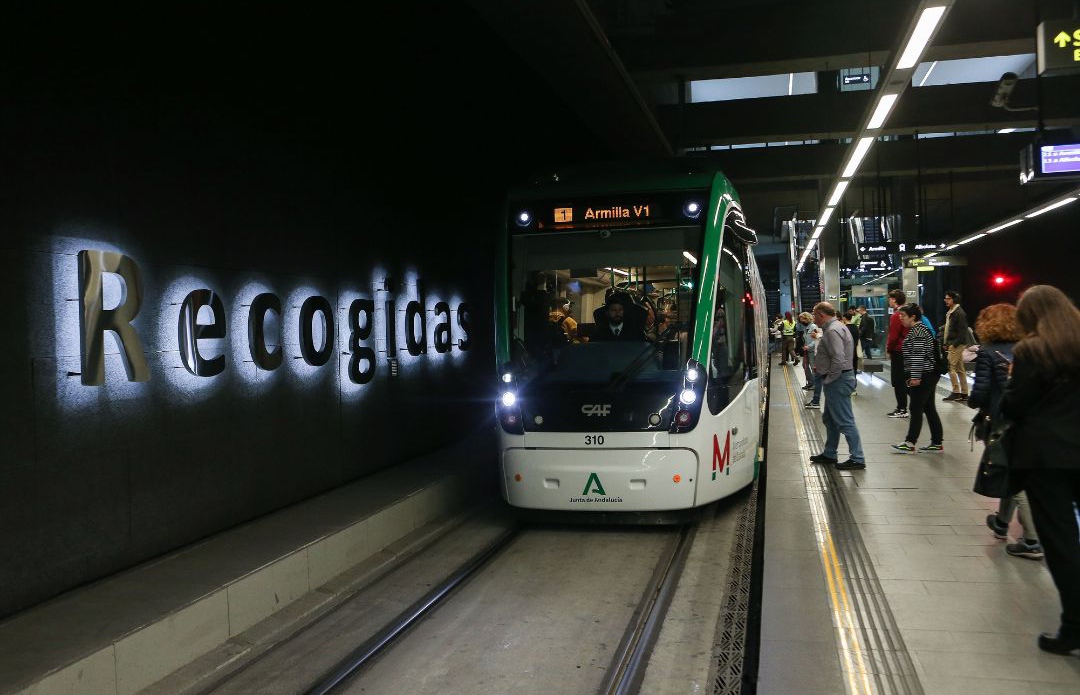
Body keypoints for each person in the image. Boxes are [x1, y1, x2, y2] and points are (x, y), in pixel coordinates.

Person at [999, 285, 1080, 655]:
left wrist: (1012, 381)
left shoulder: (1032, 350)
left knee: (1061, 541)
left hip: (1046, 458)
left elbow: (1015, 405)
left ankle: (1074, 626)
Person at [968, 303, 1042, 559]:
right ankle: (1001, 521)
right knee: (1010, 468)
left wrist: (973, 403)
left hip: (1001, 421)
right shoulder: (1028, 350)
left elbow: (980, 392)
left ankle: (1032, 540)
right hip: (1029, 419)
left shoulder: (988, 352)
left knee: (1014, 475)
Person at [807, 302, 865, 470]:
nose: (813, 318)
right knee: (830, 419)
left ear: (821, 315)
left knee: (845, 420)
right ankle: (830, 453)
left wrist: (829, 379)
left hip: (838, 380)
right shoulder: (837, 326)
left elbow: (838, 359)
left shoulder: (832, 331)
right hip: (839, 379)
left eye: (814, 314)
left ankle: (858, 458)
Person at [890, 304, 944, 453]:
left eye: (903, 316)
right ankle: (937, 442)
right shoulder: (919, 330)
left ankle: (910, 442)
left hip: (924, 374)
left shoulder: (918, 332)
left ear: (913, 317)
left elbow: (918, 356)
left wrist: (915, 377)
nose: (900, 319)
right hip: (928, 373)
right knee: (929, 408)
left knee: (915, 407)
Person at [942, 290, 972, 402]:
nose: (946, 300)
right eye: (945, 298)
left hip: (957, 344)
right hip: (954, 343)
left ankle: (956, 392)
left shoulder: (959, 313)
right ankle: (964, 393)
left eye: (948, 298)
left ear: (954, 299)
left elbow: (962, 332)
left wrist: (952, 344)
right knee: (960, 369)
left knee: (950, 366)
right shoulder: (952, 312)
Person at [885, 289, 911, 419]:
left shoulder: (897, 315)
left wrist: (889, 349)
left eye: (890, 298)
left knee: (898, 381)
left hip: (898, 350)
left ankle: (902, 408)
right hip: (908, 350)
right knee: (906, 379)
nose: (888, 301)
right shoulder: (909, 313)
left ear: (894, 299)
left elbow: (893, 335)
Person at [802, 317, 824, 408]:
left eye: (815, 315)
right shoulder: (819, 328)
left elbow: (825, 340)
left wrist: (817, 336)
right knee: (818, 379)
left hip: (821, 356)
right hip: (817, 355)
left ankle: (816, 402)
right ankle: (815, 401)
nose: (813, 318)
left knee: (820, 380)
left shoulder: (825, 328)